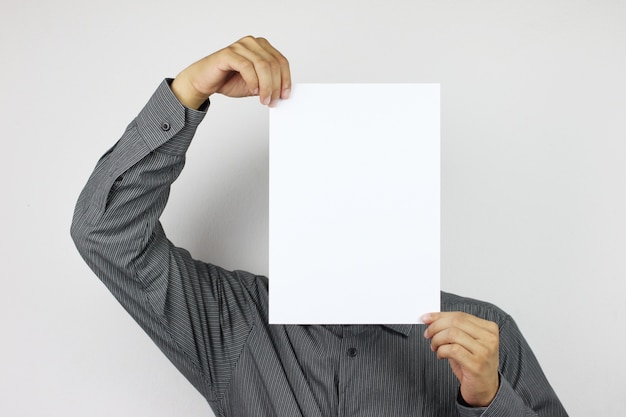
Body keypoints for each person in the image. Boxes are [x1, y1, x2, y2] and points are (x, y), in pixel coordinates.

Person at [71, 36, 568, 417]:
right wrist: (189, 90)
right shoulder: (235, 322)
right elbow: (105, 232)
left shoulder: (486, 335)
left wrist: (489, 400)